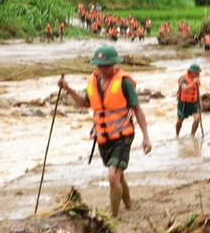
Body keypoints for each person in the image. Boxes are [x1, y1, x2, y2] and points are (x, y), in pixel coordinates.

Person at [57, 46, 152, 219]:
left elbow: (137, 109)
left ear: (114, 64)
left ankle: (113, 217)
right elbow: (85, 104)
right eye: (99, 65)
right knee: (118, 174)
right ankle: (129, 204)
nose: (102, 68)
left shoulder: (125, 82)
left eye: (106, 65)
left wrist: (146, 137)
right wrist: (68, 89)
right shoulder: (93, 81)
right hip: (102, 138)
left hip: (123, 136)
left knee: (112, 177)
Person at [175, 63, 202, 138]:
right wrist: (193, 83)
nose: (196, 74)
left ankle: (192, 135)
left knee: (197, 119)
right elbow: (185, 88)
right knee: (180, 121)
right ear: (190, 71)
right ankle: (177, 135)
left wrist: (200, 101)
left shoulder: (197, 79)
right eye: (194, 72)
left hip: (194, 102)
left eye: (197, 72)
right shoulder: (183, 79)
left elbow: (197, 91)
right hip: (184, 103)